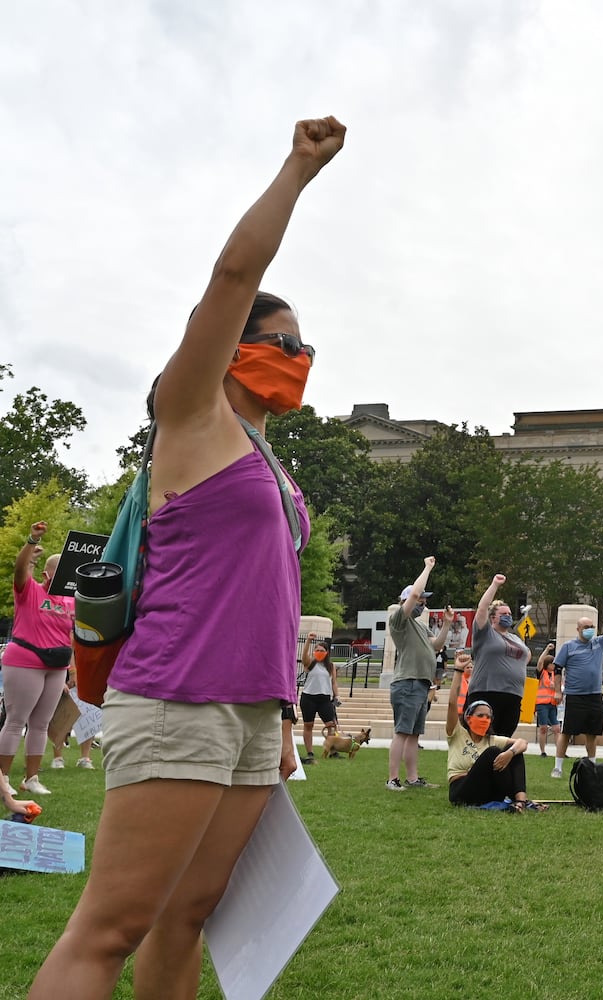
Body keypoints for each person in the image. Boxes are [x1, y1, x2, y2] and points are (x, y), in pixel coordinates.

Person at [28, 116, 343, 1000]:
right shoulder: (191, 415)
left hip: (246, 712)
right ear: (234, 344)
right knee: (110, 928)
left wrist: (281, 718)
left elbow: (267, 598)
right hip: (175, 698)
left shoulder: (271, 463)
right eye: (283, 340)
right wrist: (297, 171)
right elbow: (233, 273)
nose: (299, 355)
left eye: (306, 345)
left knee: (187, 917)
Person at [2, 522, 74, 796]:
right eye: (62, 571)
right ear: (48, 573)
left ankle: (31, 778)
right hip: (25, 660)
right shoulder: (31, 590)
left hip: (56, 666)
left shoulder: (71, 600)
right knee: (16, 720)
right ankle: (3, 777)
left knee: (41, 724)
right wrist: (31, 542)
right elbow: (20, 571)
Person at [387, 564, 449, 791]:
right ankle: (392, 779)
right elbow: (414, 593)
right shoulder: (399, 621)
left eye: (425, 600)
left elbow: (438, 645)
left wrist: (448, 624)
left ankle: (412, 779)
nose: (423, 603)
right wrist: (427, 567)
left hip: (421, 684)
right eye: (421, 600)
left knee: (413, 735)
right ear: (408, 600)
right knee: (402, 732)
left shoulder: (421, 627)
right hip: (407, 682)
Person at [444, 677, 544, 812]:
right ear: (468, 718)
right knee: (493, 752)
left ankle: (521, 801)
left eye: (488, 717)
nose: (485, 720)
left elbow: (522, 743)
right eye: (480, 716)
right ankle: (518, 801)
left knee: (513, 749)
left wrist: (510, 753)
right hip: (462, 790)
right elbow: (451, 704)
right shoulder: (458, 734)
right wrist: (458, 671)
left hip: (488, 791)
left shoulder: (491, 739)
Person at [551, 614, 603, 778]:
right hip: (575, 696)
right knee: (567, 732)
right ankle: (558, 767)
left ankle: (592, 766)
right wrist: (557, 691)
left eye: (592, 627)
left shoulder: (599, 642)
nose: (590, 630)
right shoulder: (569, 647)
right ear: (578, 629)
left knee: (592, 733)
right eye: (586, 627)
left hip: (594, 696)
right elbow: (557, 668)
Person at [468, 574, 532, 737]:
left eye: (510, 613)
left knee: (503, 740)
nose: (508, 616)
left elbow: (526, 655)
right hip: (487, 692)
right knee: (483, 738)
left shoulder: (515, 638)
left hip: (513, 695)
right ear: (492, 618)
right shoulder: (486, 633)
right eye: (503, 613)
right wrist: (495, 585)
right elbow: (482, 608)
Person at [297, 632, 339, 764]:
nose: (319, 652)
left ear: (327, 652)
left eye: (322, 650)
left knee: (331, 725)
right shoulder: (310, 663)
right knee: (308, 725)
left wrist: (336, 696)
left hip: (324, 698)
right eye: (317, 650)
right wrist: (308, 641)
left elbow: (333, 683)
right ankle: (310, 752)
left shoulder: (330, 666)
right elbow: (303, 657)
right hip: (309, 697)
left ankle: (333, 750)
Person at [534, 642, 559, 757]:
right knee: (543, 728)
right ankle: (543, 751)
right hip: (542, 704)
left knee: (556, 728)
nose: (553, 665)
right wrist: (547, 650)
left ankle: (560, 751)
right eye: (551, 663)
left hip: (553, 704)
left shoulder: (556, 675)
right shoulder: (542, 673)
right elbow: (539, 662)